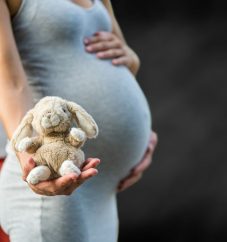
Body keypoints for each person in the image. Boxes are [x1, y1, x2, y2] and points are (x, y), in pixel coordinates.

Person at [0, 0, 158, 241]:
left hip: (100, 188)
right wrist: (31, 162)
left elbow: (120, 57)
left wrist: (140, 134)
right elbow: (11, 85)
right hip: (53, 180)